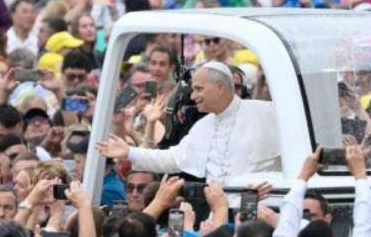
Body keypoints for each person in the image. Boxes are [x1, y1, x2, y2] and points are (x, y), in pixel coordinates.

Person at [96, 61, 280, 185]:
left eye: (199, 89)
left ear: (220, 88)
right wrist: (129, 152)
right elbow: (172, 159)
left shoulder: (268, 113)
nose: (193, 96)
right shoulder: (203, 127)